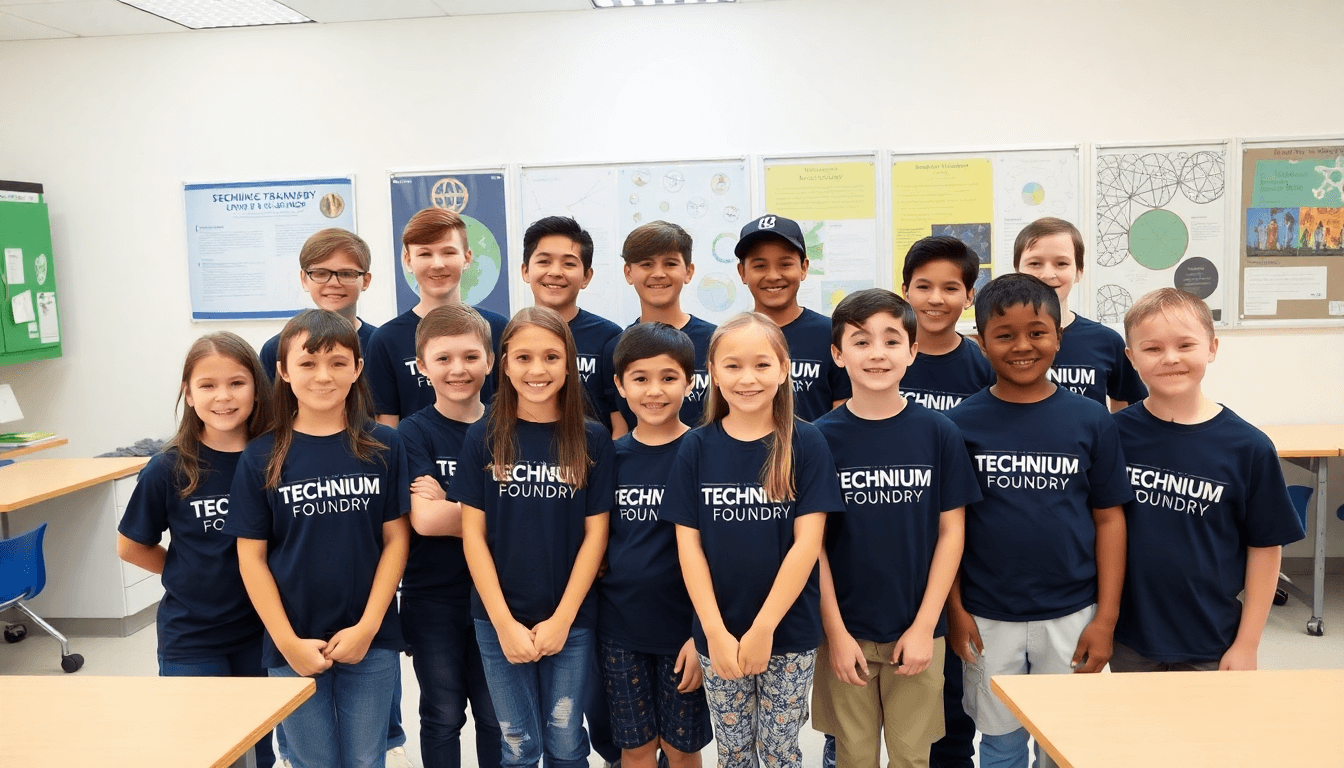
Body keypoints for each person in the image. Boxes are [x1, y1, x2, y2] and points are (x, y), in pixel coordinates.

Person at [945, 274, 1131, 768]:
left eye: (1037, 332)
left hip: (1072, 612)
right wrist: (956, 609)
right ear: (980, 342)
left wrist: (1106, 619)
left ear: (1058, 337)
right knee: (1001, 744)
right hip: (987, 615)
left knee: (1063, 742)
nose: (1022, 346)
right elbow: (948, 529)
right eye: (1004, 335)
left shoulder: (1091, 420)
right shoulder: (959, 425)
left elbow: (1110, 519)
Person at [226, 309, 412, 768]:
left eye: (337, 362)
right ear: (284, 372)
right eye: (307, 364)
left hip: (371, 637)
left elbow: (396, 541)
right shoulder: (261, 456)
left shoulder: (385, 444)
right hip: (291, 640)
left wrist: (368, 627)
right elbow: (251, 558)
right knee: (313, 762)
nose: (323, 376)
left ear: (358, 368)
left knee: (367, 758)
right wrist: (287, 641)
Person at [662, 312, 844, 768]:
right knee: (734, 754)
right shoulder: (696, 447)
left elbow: (808, 545)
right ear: (713, 375)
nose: (748, 378)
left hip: (789, 632)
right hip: (717, 632)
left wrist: (764, 628)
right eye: (733, 366)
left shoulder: (808, 442)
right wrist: (714, 632)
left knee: (780, 752)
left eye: (762, 365)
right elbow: (689, 547)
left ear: (784, 370)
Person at [811, 290, 977, 768]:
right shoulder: (819, 438)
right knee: (854, 758)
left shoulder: (939, 433)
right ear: (838, 355)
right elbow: (812, 546)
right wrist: (835, 634)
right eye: (861, 342)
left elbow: (952, 534)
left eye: (891, 340)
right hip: (845, 633)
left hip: (919, 630)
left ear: (912, 350)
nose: (878, 353)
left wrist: (926, 626)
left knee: (912, 759)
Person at [453, 306, 614, 768]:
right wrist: (503, 623)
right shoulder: (483, 436)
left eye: (550, 357)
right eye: (523, 358)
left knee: (565, 744)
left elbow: (595, 536)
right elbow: (473, 537)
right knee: (519, 746)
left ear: (570, 364)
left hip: (573, 618)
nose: (537, 370)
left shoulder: (593, 439)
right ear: (504, 365)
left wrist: (563, 619)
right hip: (497, 620)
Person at [1112, 288, 1304, 672]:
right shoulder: (1111, 436)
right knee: (1134, 731)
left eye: (1185, 344)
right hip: (1128, 638)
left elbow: (1265, 548)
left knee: (1207, 733)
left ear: (1212, 347)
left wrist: (1248, 644)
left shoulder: (1248, 446)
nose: (1171, 358)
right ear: (1131, 359)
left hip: (1212, 640)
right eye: (1152, 349)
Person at [117, 332, 276, 767]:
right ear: (188, 394)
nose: (223, 396)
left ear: (257, 389)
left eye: (237, 383)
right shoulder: (168, 466)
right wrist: (186, 571)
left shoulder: (275, 458)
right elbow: (131, 546)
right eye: (207, 385)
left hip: (261, 631)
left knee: (259, 749)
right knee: (207, 749)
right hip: (193, 635)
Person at [893, 236, 990, 768]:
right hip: (896, 539)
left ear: (970, 295)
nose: (935, 298)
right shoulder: (883, 357)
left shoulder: (981, 365)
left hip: (961, 538)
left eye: (950, 287)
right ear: (903, 290)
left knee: (952, 692)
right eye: (922, 286)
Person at [600, 322, 712, 768]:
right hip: (620, 632)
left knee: (683, 750)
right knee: (637, 750)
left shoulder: (705, 452)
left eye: (668, 378)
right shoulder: (611, 457)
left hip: (684, 633)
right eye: (640, 378)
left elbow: (718, 554)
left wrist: (701, 634)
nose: (655, 391)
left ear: (690, 381)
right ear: (620, 385)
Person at [399, 305, 501, 768]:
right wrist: (499, 504)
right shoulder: (412, 433)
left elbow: (536, 513)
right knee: (441, 715)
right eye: (443, 359)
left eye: (469, 356)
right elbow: (425, 522)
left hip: (500, 595)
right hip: (432, 596)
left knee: (495, 715)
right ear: (422, 366)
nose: (458, 369)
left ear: (490, 360)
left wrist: (450, 503)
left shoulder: (510, 428)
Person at [366, 207, 509, 426]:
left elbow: (510, 410)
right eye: (425, 254)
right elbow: (388, 429)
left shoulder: (498, 329)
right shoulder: (386, 340)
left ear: (467, 257)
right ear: (407, 260)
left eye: (449, 252)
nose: (438, 264)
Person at [1013, 217, 1146, 411]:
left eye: (1061, 263)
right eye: (1035, 263)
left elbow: (1126, 408)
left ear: (1079, 271)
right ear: (1017, 270)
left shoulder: (1106, 341)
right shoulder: (1001, 341)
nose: (1048, 274)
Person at [602, 221, 717, 437]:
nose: (658, 273)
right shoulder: (615, 347)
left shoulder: (717, 341)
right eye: (646, 264)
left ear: (688, 271)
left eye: (670, 264)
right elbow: (620, 427)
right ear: (628, 272)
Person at [735, 214, 851, 421]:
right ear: (742, 272)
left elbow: (842, 416)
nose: (773, 276)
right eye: (760, 266)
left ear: (804, 268)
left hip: (814, 453)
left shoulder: (832, 334)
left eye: (785, 264)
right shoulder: (731, 338)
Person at [521, 216, 623, 429]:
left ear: (586, 276)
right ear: (525, 271)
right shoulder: (511, 334)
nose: (556, 272)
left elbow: (619, 420)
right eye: (544, 261)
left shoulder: (609, 337)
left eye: (568, 264)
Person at [259, 228, 377, 382]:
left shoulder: (383, 343)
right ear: (303, 278)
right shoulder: (276, 348)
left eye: (347, 274)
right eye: (320, 273)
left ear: (366, 281)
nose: (334, 283)